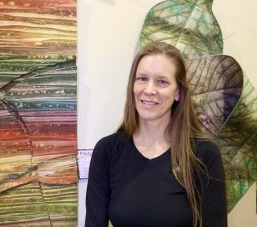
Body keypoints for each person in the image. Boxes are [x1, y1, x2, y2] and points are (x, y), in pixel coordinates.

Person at [85, 42, 227, 227]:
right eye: (142, 78)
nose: (149, 90)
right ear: (133, 85)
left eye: (162, 82)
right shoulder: (107, 151)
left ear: (177, 92)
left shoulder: (203, 154)